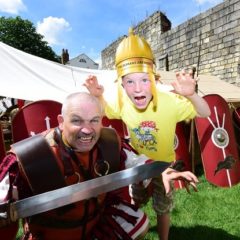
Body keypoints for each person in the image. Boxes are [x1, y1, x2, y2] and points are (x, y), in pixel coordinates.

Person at [0, 92, 198, 240]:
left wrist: (163, 170)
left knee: (138, 223)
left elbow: (136, 161)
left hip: (93, 222)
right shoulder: (29, 157)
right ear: (61, 121)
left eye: (94, 120)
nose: (87, 130)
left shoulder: (109, 142)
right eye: (77, 120)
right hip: (52, 235)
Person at [84, 28, 211, 240]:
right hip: (138, 166)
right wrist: (97, 96)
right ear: (122, 85)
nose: (138, 88)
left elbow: (204, 112)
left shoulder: (170, 102)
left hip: (164, 166)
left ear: (153, 80)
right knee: (136, 201)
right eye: (130, 81)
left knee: (163, 208)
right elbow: (105, 109)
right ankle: (135, 230)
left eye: (144, 80)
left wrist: (192, 95)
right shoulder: (122, 102)